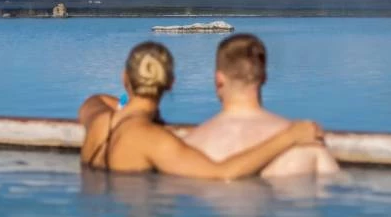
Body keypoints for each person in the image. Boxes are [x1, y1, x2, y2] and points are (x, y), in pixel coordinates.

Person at [78, 41, 323, 180]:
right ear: (171, 83)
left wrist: (128, 107)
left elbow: (95, 99)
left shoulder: (100, 121)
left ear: (124, 78)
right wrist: (289, 136)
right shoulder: (155, 140)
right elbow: (222, 173)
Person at [184, 34, 340, 177]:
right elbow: (337, 189)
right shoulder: (306, 143)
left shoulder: (190, 147)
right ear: (264, 77)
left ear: (219, 79)